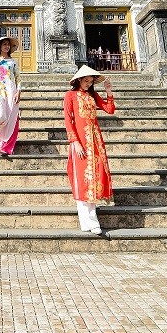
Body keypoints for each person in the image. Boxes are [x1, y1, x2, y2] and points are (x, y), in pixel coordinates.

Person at [63, 65, 115, 235]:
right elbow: (68, 120)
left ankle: (90, 222)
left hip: (95, 140)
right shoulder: (70, 96)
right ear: (78, 80)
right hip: (80, 142)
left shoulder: (93, 95)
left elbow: (109, 109)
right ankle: (90, 222)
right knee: (83, 179)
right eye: (86, 81)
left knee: (94, 178)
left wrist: (108, 91)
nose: (88, 84)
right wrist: (74, 142)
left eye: (90, 82)